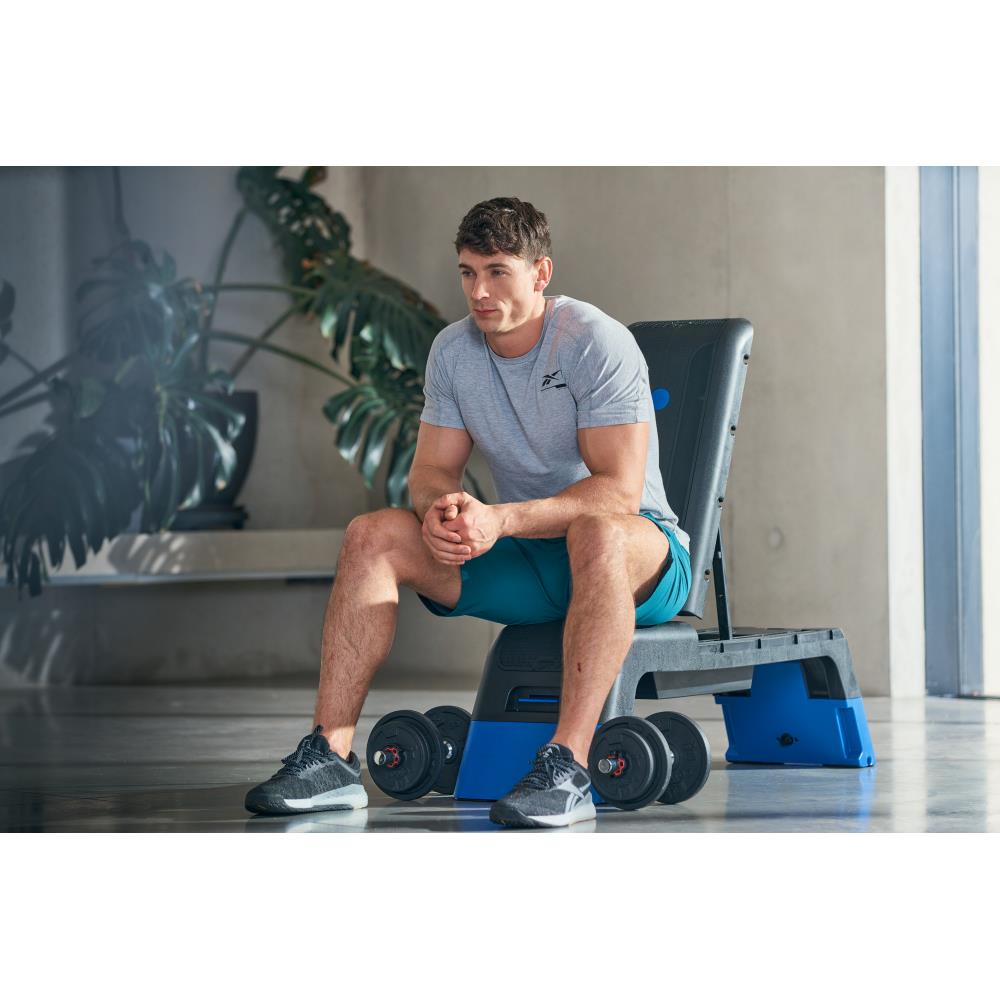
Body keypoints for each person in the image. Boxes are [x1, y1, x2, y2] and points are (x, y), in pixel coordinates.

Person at [245, 197, 692, 828]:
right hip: (530, 562)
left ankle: (568, 768)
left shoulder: (595, 342)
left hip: (641, 558)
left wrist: (500, 519)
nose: (478, 291)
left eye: (497, 271)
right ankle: (330, 759)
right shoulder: (454, 352)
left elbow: (617, 494)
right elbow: (429, 472)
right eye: (467, 272)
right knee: (373, 534)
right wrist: (440, 508)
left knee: (596, 530)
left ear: (541, 274)